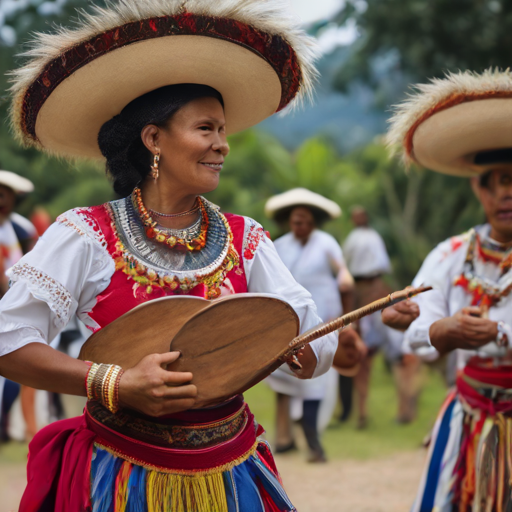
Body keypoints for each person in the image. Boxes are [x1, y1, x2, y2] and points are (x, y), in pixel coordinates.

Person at [0, 1, 348, 509]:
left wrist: (308, 349)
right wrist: (114, 382)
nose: (223, 145)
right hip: (120, 478)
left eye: (223, 130)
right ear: (154, 139)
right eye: (206, 128)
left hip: (231, 475)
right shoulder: (85, 234)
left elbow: (305, 332)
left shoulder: (245, 237)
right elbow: (9, 340)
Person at [385, 69, 512, 511]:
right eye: (495, 179)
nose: (506, 192)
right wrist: (438, 329)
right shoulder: (452, 253)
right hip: (468, 419)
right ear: (477, 187)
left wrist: (496, 332)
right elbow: (419, 324)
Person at [265, 188, 361, 462]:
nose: (301, 226)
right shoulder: (279, 246)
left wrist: (345, 284)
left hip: (323, 325)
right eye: (296, 221)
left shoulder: (326, 242)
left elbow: (342, 272)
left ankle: (313, 444)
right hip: (288, 326)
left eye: (306, 221)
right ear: (289, 222)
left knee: (314, 385)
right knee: (284, 382)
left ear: (314, 222)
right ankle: (284, 439)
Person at [343, 205, 392, 428]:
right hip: (360, 294)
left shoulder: (373, 237)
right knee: (360, 356)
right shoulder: (353, 239)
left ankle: (363, 408)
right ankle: (359, 410)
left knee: (370, 358)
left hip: (374, 295)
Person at [0, 170, 39, 442]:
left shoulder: (22, 229)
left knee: (16, 368)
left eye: (5, 194)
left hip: (16, 306)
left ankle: (9, 424)